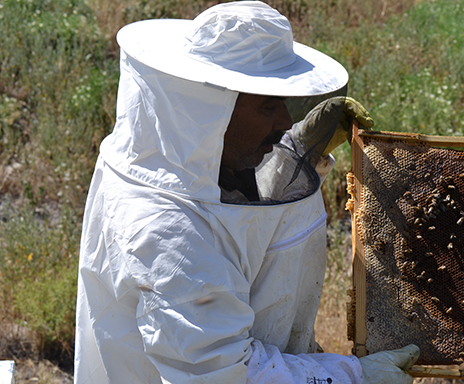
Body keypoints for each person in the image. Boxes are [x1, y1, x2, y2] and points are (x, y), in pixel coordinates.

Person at [74, 1, 419, 383]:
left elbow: (234, 221)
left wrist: (293, 158)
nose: (285, 121)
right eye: (268, 106)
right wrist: (352, 377)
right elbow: (224, 374)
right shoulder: (168, 235)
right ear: (212, 111)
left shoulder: (173, 156)